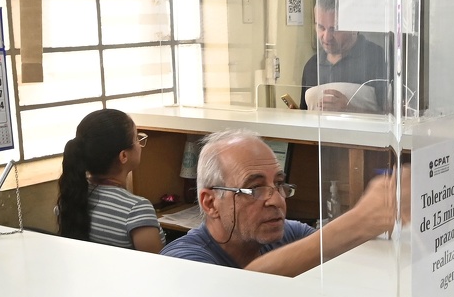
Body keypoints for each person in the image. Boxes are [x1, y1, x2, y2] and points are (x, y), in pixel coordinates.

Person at [160, 129, 404, 276]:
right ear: (210, 203)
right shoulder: (180, 260)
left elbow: (340, 257)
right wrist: (355, 223)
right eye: (254, 188)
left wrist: (380, 221)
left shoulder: (289, 234)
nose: (276, 199)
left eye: (278, 184)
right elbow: (235, 289)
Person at [55, 109, 163, 253]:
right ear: (123, 155)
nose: (139, 144)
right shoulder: (137, 209)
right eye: (137, 138)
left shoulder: (70, 198)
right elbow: (157, 266)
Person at [300, 0, 390, 113]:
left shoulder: (377, 59)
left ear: (353, 26)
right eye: (321, 27)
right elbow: (305, 117)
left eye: (334, 29)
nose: (326, 37)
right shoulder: (311, 67)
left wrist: (350, 110)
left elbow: (395, 120)